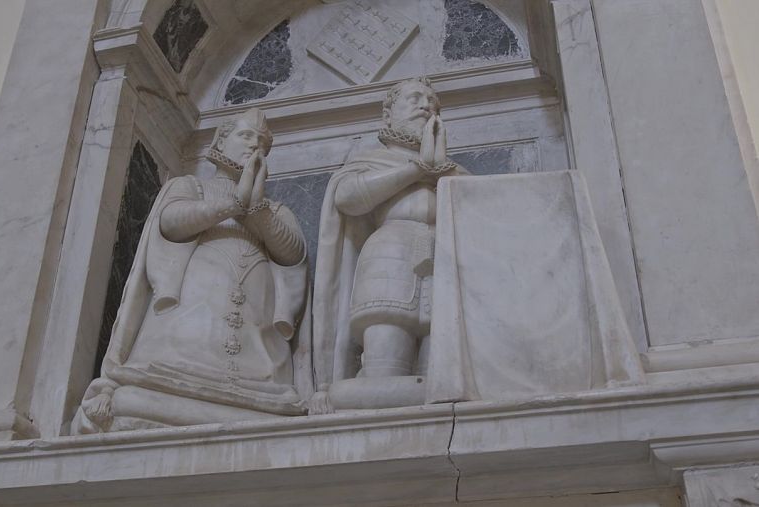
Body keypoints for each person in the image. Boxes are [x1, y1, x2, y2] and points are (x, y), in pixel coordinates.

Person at [73, 108, 309, 433]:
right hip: (187, 328)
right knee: (136, 398)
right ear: (221, 140)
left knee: (275, 409)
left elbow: (293, 252)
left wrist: (255, 210)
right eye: (246, 136)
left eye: (263, 144)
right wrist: (231, 204)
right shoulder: (190, 186)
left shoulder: (275, 210)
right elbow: (170, 224)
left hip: (255, 339)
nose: (255, 146)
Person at [312, 77, 469, 412]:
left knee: (441, 368)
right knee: (385, 359)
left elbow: (488, 212)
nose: (425, 106)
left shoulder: (454, 171)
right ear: (388, 114)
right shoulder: (373, 159)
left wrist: (443, 172)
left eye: (432, 102)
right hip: (388, 260)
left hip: (448, 263)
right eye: (414, 98)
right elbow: (348, 197)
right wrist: (417, 169)